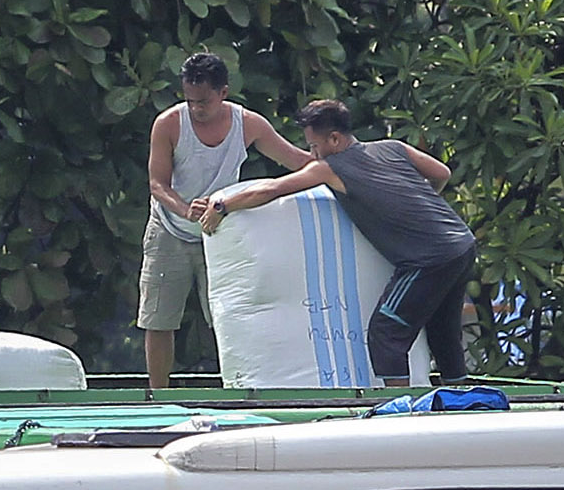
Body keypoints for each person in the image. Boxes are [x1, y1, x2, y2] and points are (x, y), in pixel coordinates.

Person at [199, 98, 476, 387]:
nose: (312, 154)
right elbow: (441, 173)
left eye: (314, 146)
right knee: (443, 331)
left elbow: (272, 189)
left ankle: (398, 412)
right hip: (462, 244)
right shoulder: (392, 147)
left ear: (334, 138)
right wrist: (419, 205)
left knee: (386, 332)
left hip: (429, 259)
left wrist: (222, 206)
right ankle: (462, 399)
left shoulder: (331, 167)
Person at [138, 52, 310, 392]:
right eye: (189, 100)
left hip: (218, 232)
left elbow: (296, 162)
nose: (196, 108)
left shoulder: (250, 125)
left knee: (226, 317)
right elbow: (157, 183)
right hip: (169, 229)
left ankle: (236, 388)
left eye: (203, 102)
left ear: (223, 93)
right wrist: (185, 209)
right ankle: (157, 395)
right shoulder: (170, 123)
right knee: (158, 318)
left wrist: (342, 166)